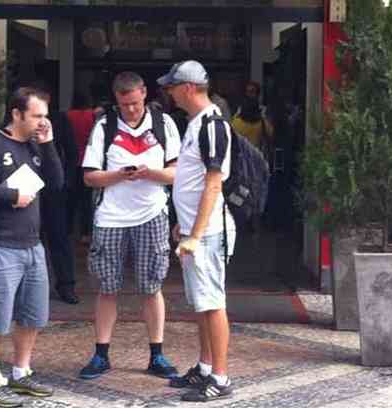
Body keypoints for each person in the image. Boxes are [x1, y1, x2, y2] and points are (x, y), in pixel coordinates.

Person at [0, 87, 64, 407]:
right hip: (0, 244)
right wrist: (12, 196)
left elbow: (58, 183)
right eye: (36, 116)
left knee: (32, 315)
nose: (42, 122)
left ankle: (21, 372)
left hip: (33, 244)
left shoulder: (37, 144)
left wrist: (47, 145)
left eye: (45, 116)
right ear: (17, 114)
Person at [80, 71, 181, 380]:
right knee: (106, 287)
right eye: (125, 105)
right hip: (110, 217)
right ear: (117, 101)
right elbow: (89, 176)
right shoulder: (104, 126)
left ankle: (157, 354)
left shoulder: (164, 124)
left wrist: (149, 173)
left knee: (152, 286)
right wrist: (121, 174)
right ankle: (101, 354)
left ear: (145, 95)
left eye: (136, 103)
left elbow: (177, 173)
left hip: (152, 215)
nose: (132, 110)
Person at [158, 60, 236, 402]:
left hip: (207, 233)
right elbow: (193, 181)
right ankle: (205, 368)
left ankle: (220, 377)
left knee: (213, 302)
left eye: (172, 87)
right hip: (196, 229)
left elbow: (213, 185)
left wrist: (195, 233)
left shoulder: (212, 125)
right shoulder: (196, 123)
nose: (169, 93)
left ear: (188, 87)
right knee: (202, 303)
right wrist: (185, 224)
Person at [39, 85, 81, 305]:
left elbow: (72, 152)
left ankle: (66, 284)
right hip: (25, 190)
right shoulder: (16, 123)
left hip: (54, 188)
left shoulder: (59, 119)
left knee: (59, 237)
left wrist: (68, 182)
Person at [67, 91, 105, 244]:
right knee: (87, 200)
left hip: (72, 160)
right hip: (90, 161)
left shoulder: (68, 115)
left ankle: (68, 231)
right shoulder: (93, 115)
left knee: (71, 198)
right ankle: (85, 233)